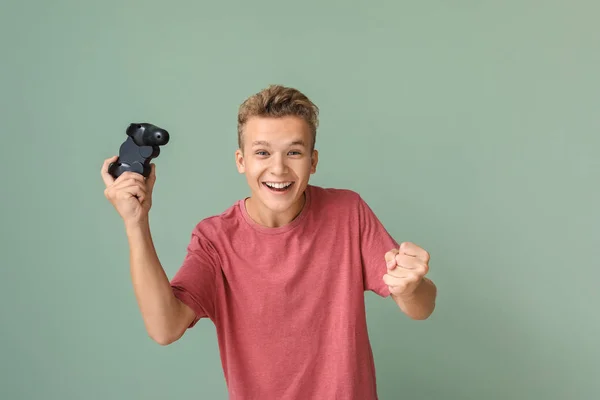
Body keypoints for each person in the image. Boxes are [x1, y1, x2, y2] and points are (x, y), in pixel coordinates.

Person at [101, 84, 437, 400]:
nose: (278, 168)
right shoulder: (215, 240)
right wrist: (136, 223)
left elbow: (422, 307)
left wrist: (409, 288)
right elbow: (164, 328)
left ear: (313, 162)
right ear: (241, 161)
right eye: (262, 152)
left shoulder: (348, 213)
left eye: (294, 152)